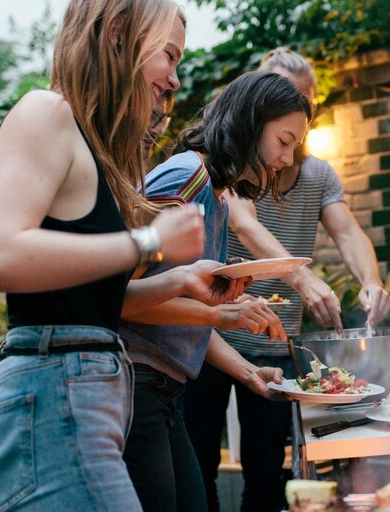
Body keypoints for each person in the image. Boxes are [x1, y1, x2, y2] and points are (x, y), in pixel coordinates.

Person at [0, 1, 249, 509]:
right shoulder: (45, 111)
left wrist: (182, 281)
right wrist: (150, 241)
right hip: (52, 400)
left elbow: (88, 299)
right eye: (169, 56)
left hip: (85, 401)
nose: (176, 79)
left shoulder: (93, 151)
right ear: (118, 34)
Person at [183, 48, 390, 512]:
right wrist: (301, 277)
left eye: (302, 100)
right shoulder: (233, 168)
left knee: (266, 475)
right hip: (209, 337)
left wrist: (372, 280)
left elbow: (348, 231)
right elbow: (243, 220)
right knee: (197, 470)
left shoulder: (317, 174)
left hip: (276, 347)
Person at [119, 70, 313, 511]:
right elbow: (123, 299)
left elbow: (180, 307)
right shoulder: (186, 180)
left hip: (162, 389)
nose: (286, 159)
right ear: (250, 121)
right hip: (135, 384)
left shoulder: (215, 193)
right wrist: (219, 314)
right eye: (283, 141)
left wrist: (249, 373)